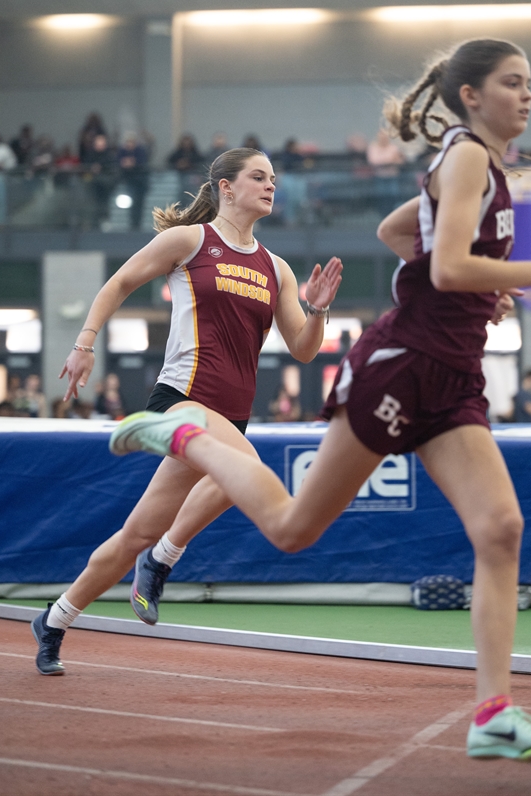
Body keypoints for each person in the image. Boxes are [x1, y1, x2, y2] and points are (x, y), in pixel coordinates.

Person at [109, 39, 531, 764]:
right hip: (400, 366)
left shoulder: (478, 170)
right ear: (470, 98)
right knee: (293, 528)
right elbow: (449, 264)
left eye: (528, 84)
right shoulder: (463, 159)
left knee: (500, 529)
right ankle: (178, 437)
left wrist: (480, 287)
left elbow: (400, 234)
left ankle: (491, 713)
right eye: (511, 84)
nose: (527, 97)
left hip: (453, 376)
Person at [32, 147, 342, 664]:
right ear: (225, 186)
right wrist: (84, 344)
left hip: (229, 413)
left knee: (135, 533)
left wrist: (319, 309)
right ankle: (163, 559)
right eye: (258, 177)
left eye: (273, 178)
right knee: (247, 469)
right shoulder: (190, 241)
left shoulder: (277, 268)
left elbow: (305, 349)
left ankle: (55, 618)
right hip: (180, 400)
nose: (271, 186)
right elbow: (120, 282)